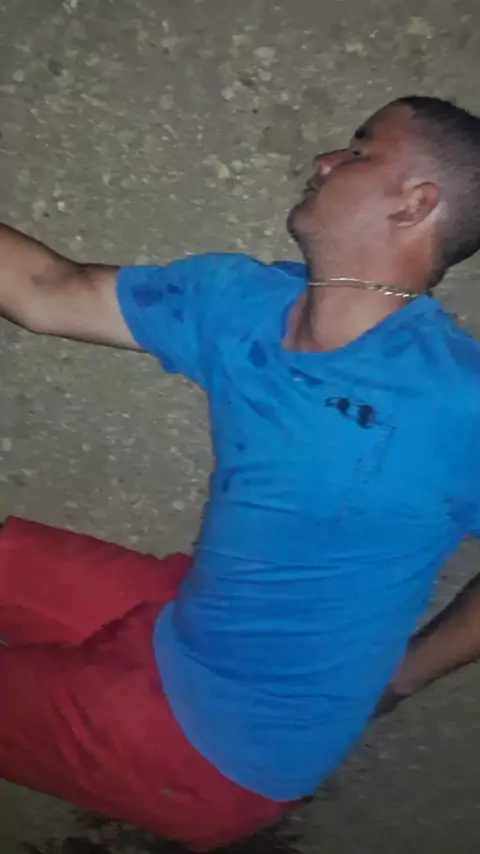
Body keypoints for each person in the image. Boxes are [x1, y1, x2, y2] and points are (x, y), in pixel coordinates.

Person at [1, 94, 480, 850]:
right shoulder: (240, 303)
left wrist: (405, 674)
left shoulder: (459, 400)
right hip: (183, 619)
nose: (324, 160)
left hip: (214, 749)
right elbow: (46, 292)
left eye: (359, 151)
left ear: (415, 203)